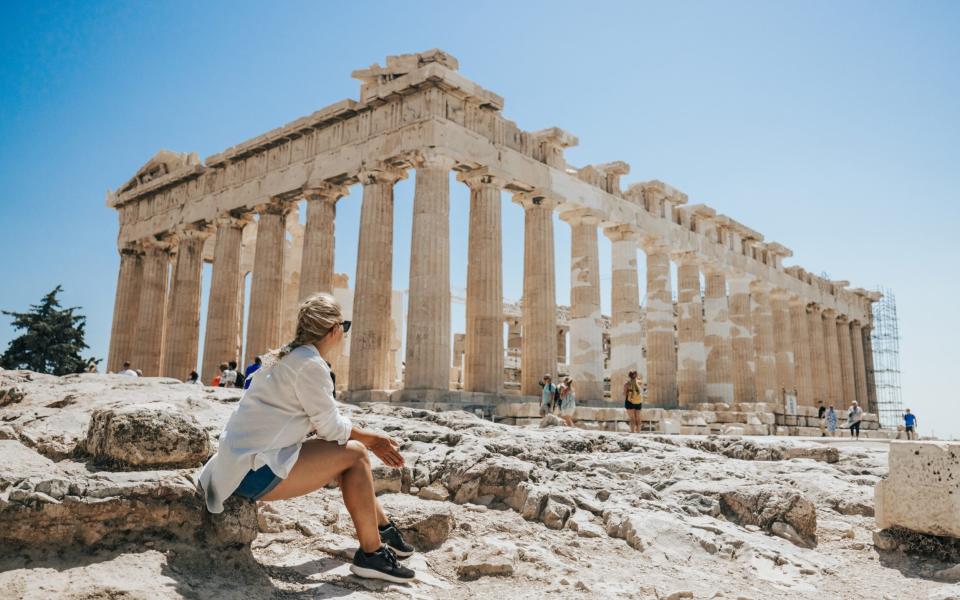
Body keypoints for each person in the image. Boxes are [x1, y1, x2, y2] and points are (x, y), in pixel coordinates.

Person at [198, 293, 416, 583]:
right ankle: (372, 554)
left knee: (348, 450)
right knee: (356, 454)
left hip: (234, 467)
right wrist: (373, 439)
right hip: (250, 474)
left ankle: (384, 529)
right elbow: (331, 428)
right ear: (335, 330)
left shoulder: (283, 357)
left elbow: (317, 424)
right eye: (345, 328)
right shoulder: (311, 365)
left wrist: (363, 436)